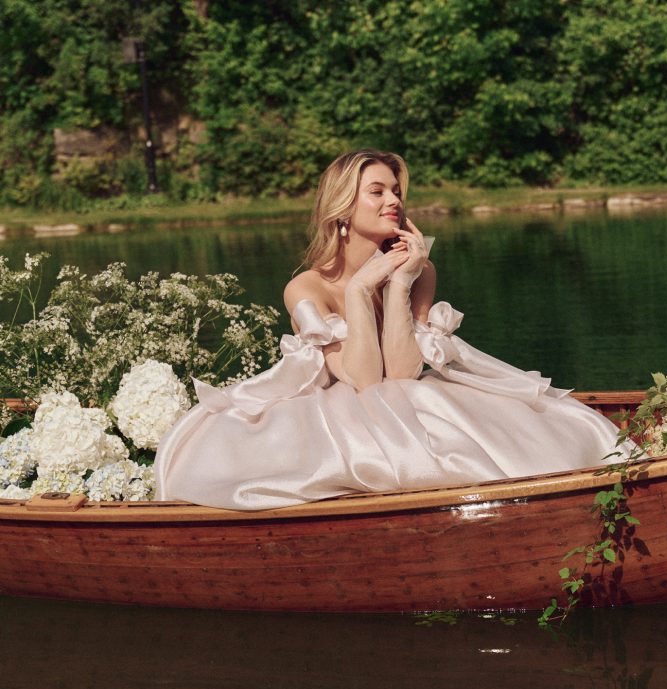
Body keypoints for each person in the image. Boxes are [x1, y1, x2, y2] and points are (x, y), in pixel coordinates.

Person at [155, 149, 626, 510]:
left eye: (396, 191)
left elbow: (402, 372)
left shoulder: (420, 270)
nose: (394, 201)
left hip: (403, 392)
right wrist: (360, 290)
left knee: (479, 411)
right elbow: (361, 378)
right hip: (335, 409)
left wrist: (399, 282)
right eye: (377, 191)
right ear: (342, 210)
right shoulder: (306, 286)